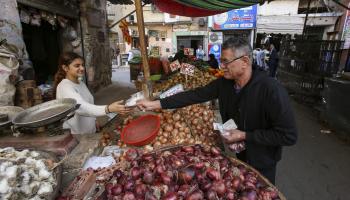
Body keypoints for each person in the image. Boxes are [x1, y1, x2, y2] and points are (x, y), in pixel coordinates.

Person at [137, 38, 297, 184]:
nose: (222, 67)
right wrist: (156, 104)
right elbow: (195, 95)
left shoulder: (270, 90)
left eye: (226, 62)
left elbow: (288, 135)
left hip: (264, 161)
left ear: (245, 61)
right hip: (240, 156)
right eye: (221, 61)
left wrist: (244, 135)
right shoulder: (225, 84)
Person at [54, 52, 131, 134]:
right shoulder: (64, 87)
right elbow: (81, 107)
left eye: (82, 65)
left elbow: (89, 103)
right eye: (77, 66)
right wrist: (108, 108)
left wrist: (94, 120)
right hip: (77, 135)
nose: (82, 68)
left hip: (89, 131)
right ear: (65, 68)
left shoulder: (80, 83)